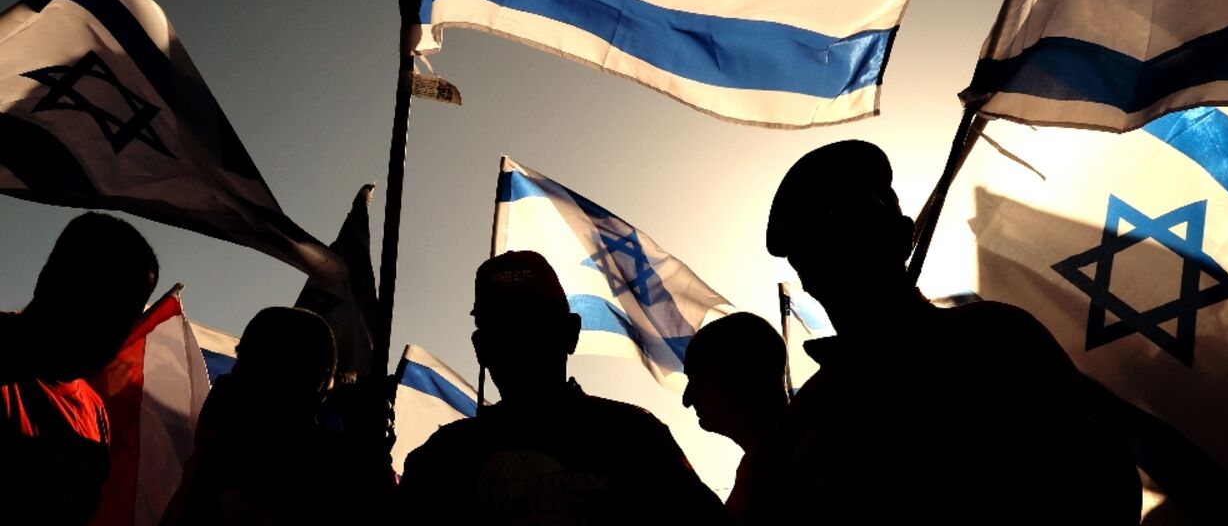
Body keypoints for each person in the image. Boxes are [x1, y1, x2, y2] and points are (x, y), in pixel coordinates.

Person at [747, 139, 1140, 525]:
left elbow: (1107, 486)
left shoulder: (994, 339)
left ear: (901, 237)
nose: (832, 251)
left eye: (851, 222)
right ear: (803, 268)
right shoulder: (805, 420)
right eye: (814, 240)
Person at [398, 250, 729, 525]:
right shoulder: (443, 459)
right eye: (504, 328)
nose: (520, 342)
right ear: (480, 347)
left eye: (533, 324)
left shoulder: (634, 437)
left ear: (570, 333)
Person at [161, 306, 394, 525]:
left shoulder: (336, 476)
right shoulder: (218, 451)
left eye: (264, 363)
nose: (238, 373)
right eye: (244, 359)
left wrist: (372, 464)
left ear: (313, 381)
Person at [0, 212, 159, 525]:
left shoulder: (94, 411)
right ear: (49, 281)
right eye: (99, 303)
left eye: (125, 317)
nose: (109, 332)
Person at [682, 312, 787, 521]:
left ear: (739, 371)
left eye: (696, 378)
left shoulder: (812, 461)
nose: (687, 399)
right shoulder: (762, 467)